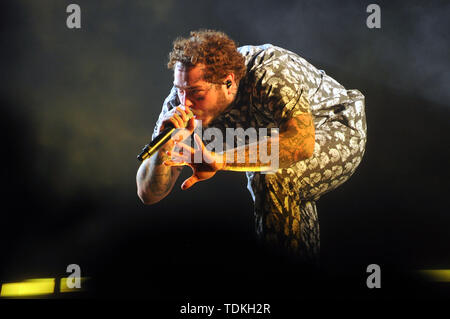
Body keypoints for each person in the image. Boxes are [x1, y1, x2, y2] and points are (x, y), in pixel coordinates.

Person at [136, 29, 367, 265]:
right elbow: (149, 194)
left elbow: (302, 143)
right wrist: (165, 145)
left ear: (228, 82)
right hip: (274, 142)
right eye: (180, 90)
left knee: (271, 173)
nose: (185, 103)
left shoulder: (269, 70)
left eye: (196, 93)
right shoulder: (181, 99)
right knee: (287, 212)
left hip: (334, 125)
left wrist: (220, 160)